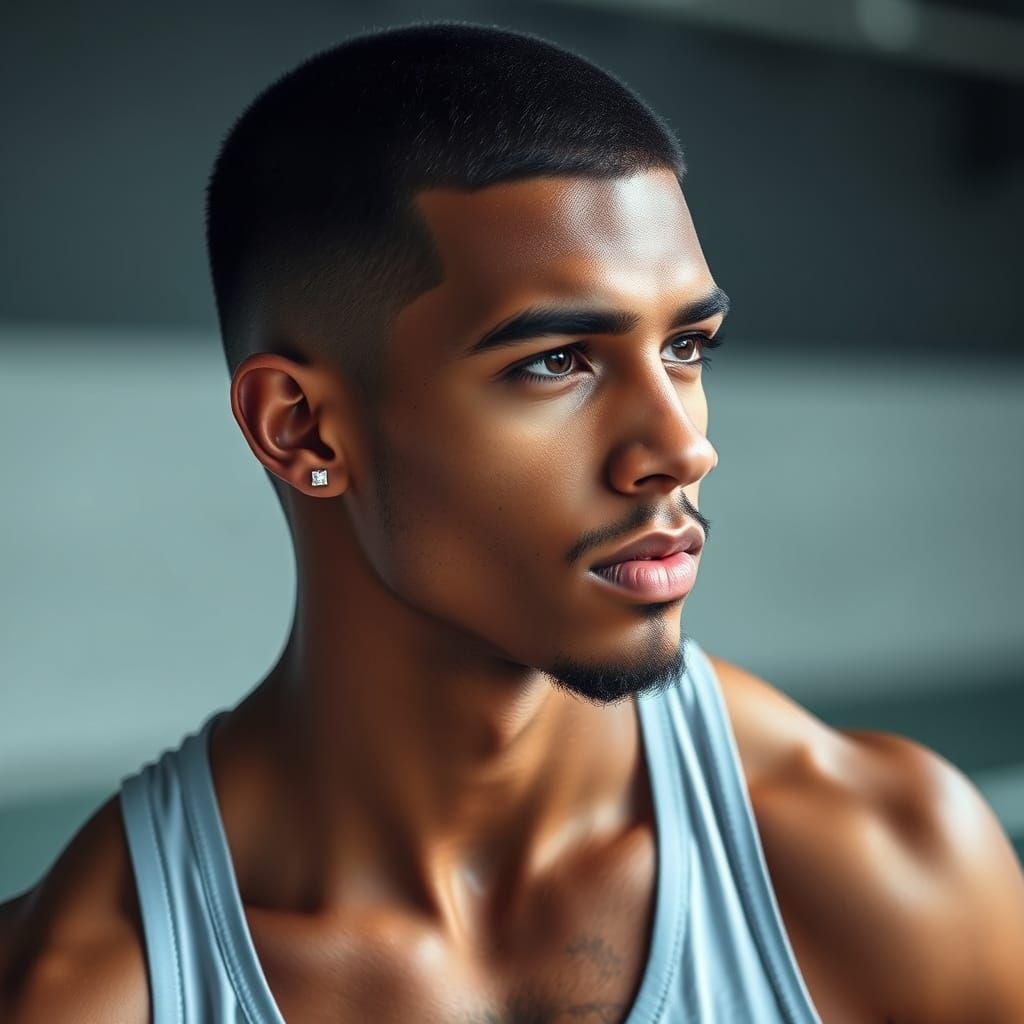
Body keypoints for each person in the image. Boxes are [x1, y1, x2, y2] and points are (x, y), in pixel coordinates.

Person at [2, 20, 1023, 1024]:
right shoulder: (83, 989)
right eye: (556, 361)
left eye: (686, 347)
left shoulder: (890, 866)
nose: (680, 447)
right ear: (302, 428)